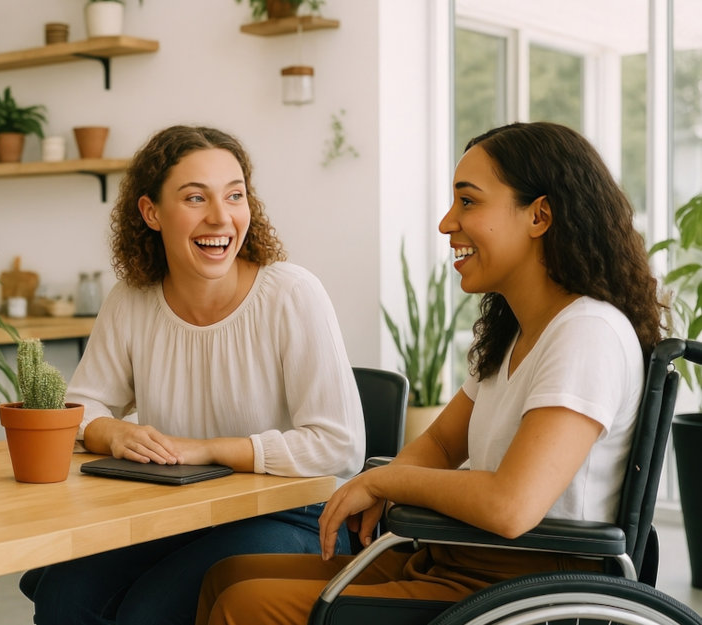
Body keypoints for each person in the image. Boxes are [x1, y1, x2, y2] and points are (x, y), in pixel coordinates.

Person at [195, 121, 663, 625]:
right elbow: (440, 444)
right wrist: (388, 484)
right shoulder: (519, 333)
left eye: (468, 202)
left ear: (539, 216)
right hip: (457, 558)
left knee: (247, 607)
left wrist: (386, 482)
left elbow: (511, 505)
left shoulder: (586, 332)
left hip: (521, 590)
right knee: (228, 575)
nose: (446, 223)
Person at [21, 125, 366, 625]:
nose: (221, 217)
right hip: (178, 514)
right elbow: (81, 407)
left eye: (235, 196)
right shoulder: (132, 300)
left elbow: (340, 446)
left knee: (148, 613)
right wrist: (111, 431)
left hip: (291, 516)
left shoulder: (291, 294)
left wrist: (207, 449)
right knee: (64, 595)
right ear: (151, 212)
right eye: (195, 197)